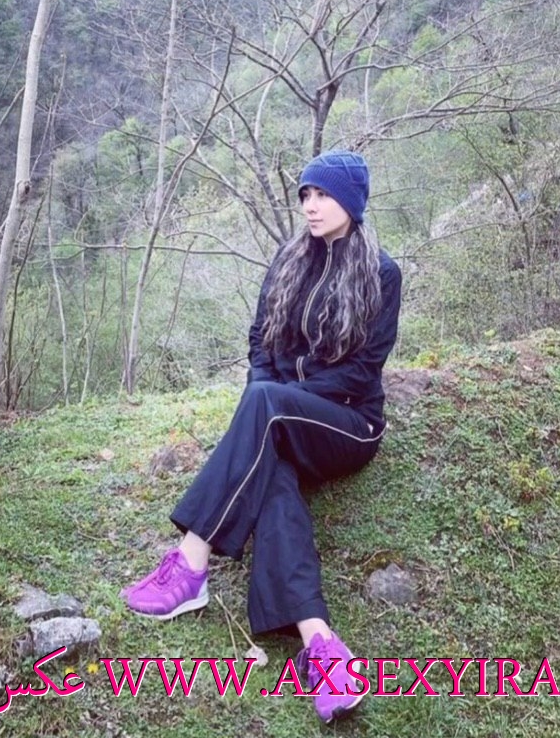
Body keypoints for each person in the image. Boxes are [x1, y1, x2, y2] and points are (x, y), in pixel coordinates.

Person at [122, 150, 402, 723]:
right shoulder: (289, 259)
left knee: (267, 406)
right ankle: (321, 644)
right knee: (272, 473)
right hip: (278, 419)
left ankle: (191, 564)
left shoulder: (381, 272)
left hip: (347, 423)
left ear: (350, 201)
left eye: (323, 195)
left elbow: (362, 371)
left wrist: (281, 394)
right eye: (305, 195)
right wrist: (267, 393)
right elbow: (260, 340)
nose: (311, 206)